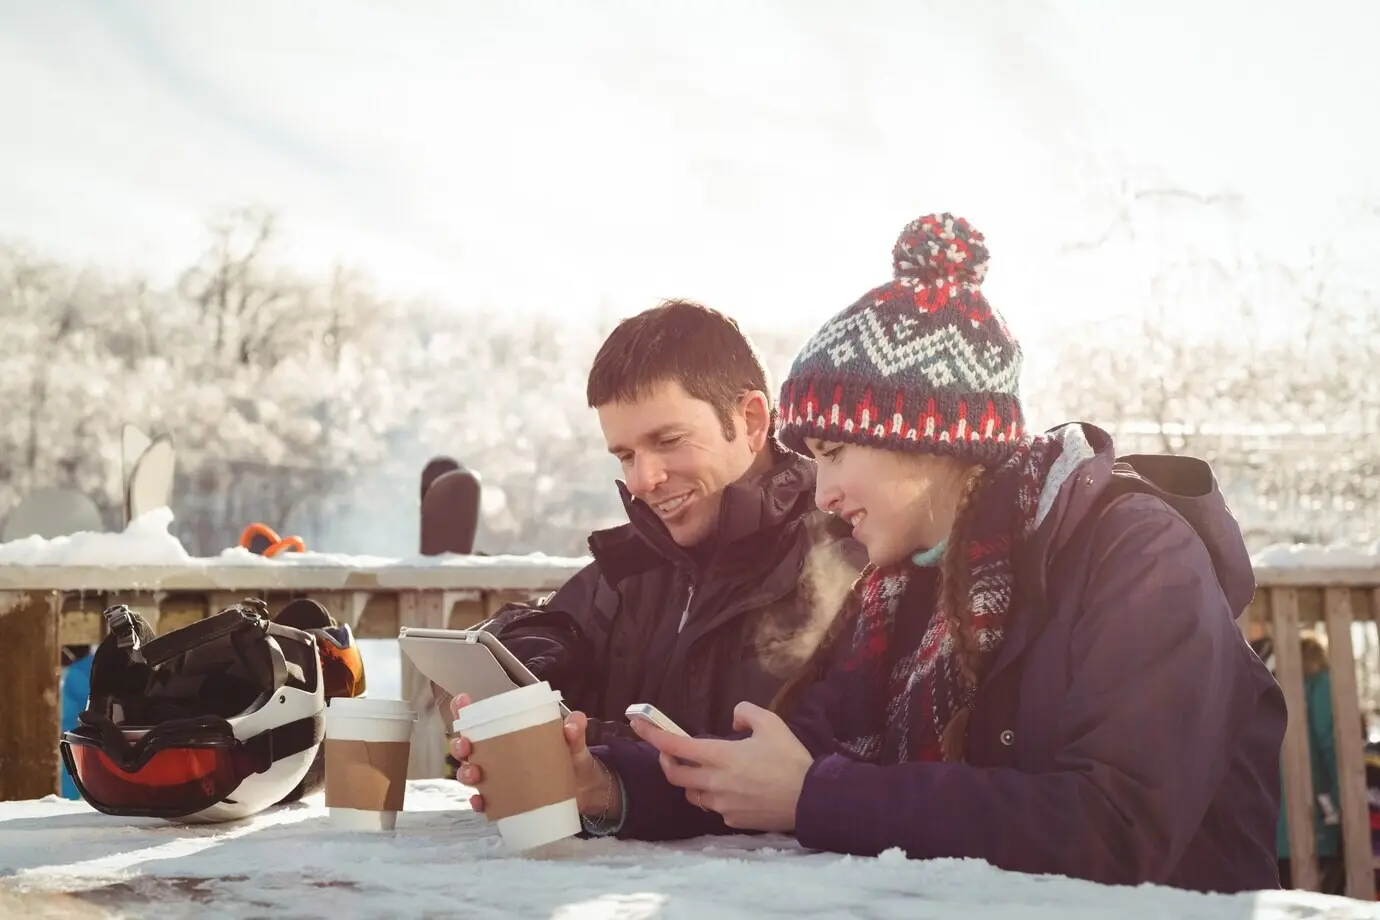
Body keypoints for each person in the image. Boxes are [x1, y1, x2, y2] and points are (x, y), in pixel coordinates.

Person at [453, 213, 1286, 894]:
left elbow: (1120, 826)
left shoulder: (1133, 553)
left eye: (836, 455)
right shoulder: (906, 590)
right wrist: (609, 785)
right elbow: (780, 765)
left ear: (927, 443)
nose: (820, 494)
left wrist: (819, 797)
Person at [464, 299, 865, 745]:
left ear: (751, 421)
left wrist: (598, 762)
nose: (642, 480)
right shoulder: (632, 567)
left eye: (669, 440)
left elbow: (781, 778)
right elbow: (545, 621)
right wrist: (523, 660)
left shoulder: (848, 562)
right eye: (626, 456)